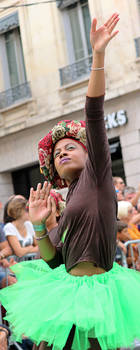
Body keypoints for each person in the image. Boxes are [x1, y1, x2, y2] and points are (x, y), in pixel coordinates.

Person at [1, 13, 140, 350]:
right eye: (56, 152)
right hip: (66, 291)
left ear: (89, 152)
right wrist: (38, 225)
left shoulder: (98, 176)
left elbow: (93, 111)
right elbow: (53, 259)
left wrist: (99, 55)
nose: (61, 152)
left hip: (99, 296)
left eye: (70, 147)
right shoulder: (68, 200)